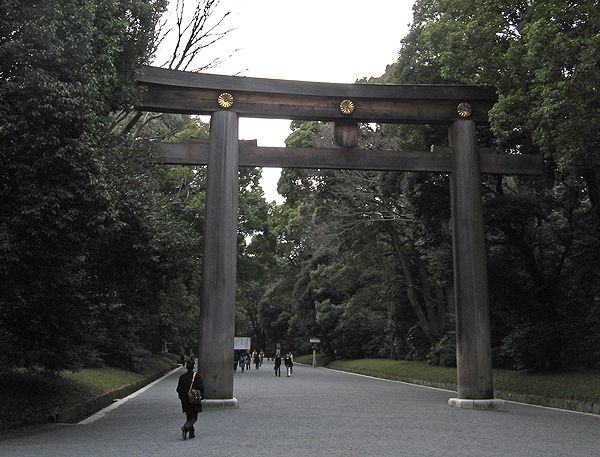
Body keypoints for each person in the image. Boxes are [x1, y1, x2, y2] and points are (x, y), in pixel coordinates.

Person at [176, 359, 204, 440]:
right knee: (194, 418)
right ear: (193, 366)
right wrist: (201, 396)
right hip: (194, 400)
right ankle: (185, 427)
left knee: (189, 416)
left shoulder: (182, 377)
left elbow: (178, 389)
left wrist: (181, 397)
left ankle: (192, 432)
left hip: (185, 400)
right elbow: (201, 388)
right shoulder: (197, 376)